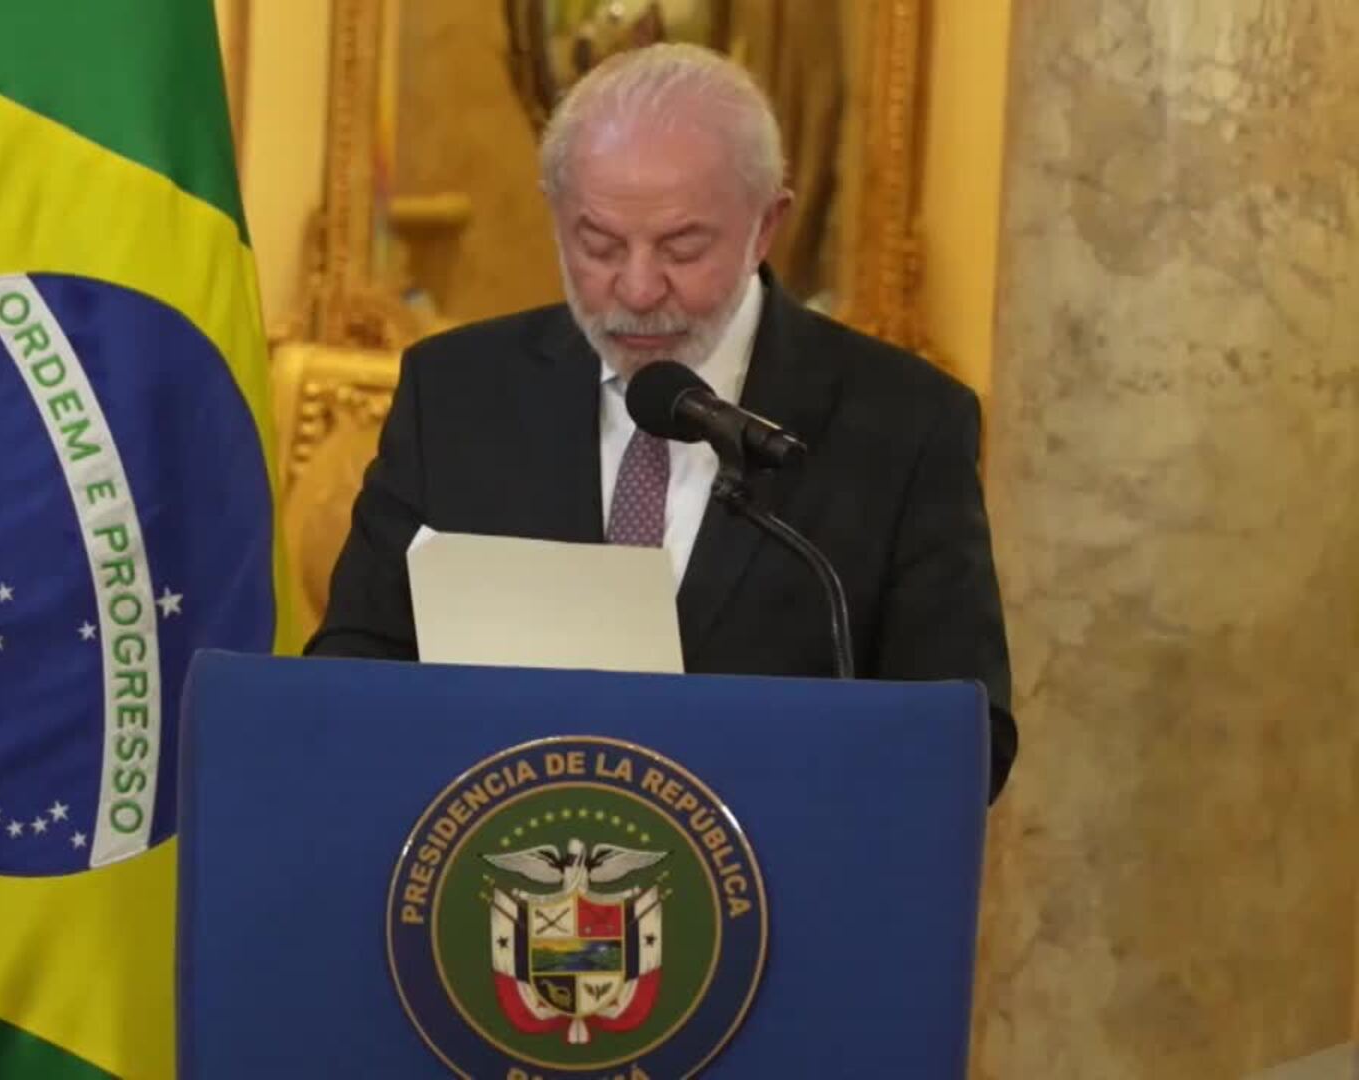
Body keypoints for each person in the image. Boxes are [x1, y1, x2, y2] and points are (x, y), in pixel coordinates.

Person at [305, 43, 1016, 800]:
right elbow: (352, 670)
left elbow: (967, 740)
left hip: (776, 864)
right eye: (599, 245)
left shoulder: (902, 422)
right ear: (556, 218)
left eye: (683, 247)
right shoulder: (456, 393)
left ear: (766, 226)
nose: (639, 290)